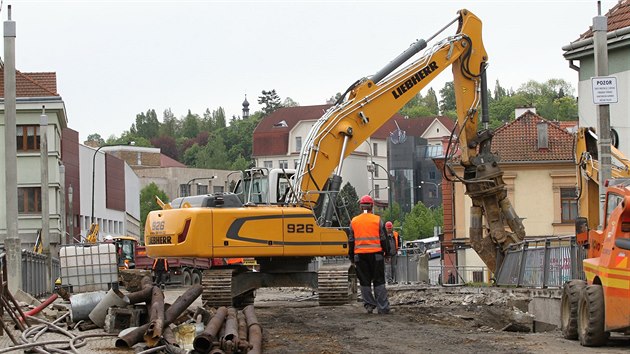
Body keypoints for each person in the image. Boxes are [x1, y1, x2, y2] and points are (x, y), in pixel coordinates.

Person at [348, 195, 391, 314]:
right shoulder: (377, 220)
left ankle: (369, 305)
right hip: (376, 255)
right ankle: (383, 307)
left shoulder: (354, 221)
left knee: (364, 281)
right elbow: (384, 239)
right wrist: (387, 253)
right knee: (379, 281)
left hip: (360, 256)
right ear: (372, 206)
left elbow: (351, 241)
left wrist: (351, 257)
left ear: (360, 207)